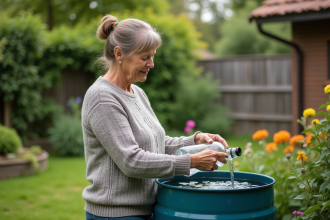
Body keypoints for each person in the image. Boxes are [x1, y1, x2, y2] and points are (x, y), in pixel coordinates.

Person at [82, 15, 229, 220]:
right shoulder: (102, 98)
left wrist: (195, 140)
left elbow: (156, 143)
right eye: (145, 57)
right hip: (115, 214)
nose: (151, 64)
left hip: (146, 209)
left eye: (153, 56)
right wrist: (192, 161)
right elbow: (131, 160)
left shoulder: (137, 93)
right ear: (119, 53)